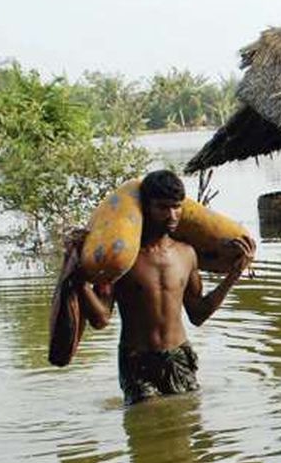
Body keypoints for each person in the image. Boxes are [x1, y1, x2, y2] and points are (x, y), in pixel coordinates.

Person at [76, 170, 256, 405]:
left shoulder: (186, 254)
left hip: (179, 356)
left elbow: (198, 314)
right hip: (137, 360)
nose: (172, 215)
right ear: (146, 208)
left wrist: (234, 274)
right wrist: (77, 279)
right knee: (147, 424)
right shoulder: (123, 259)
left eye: (176, 207)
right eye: (163, 208)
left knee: (185, 427)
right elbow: (100, 319)